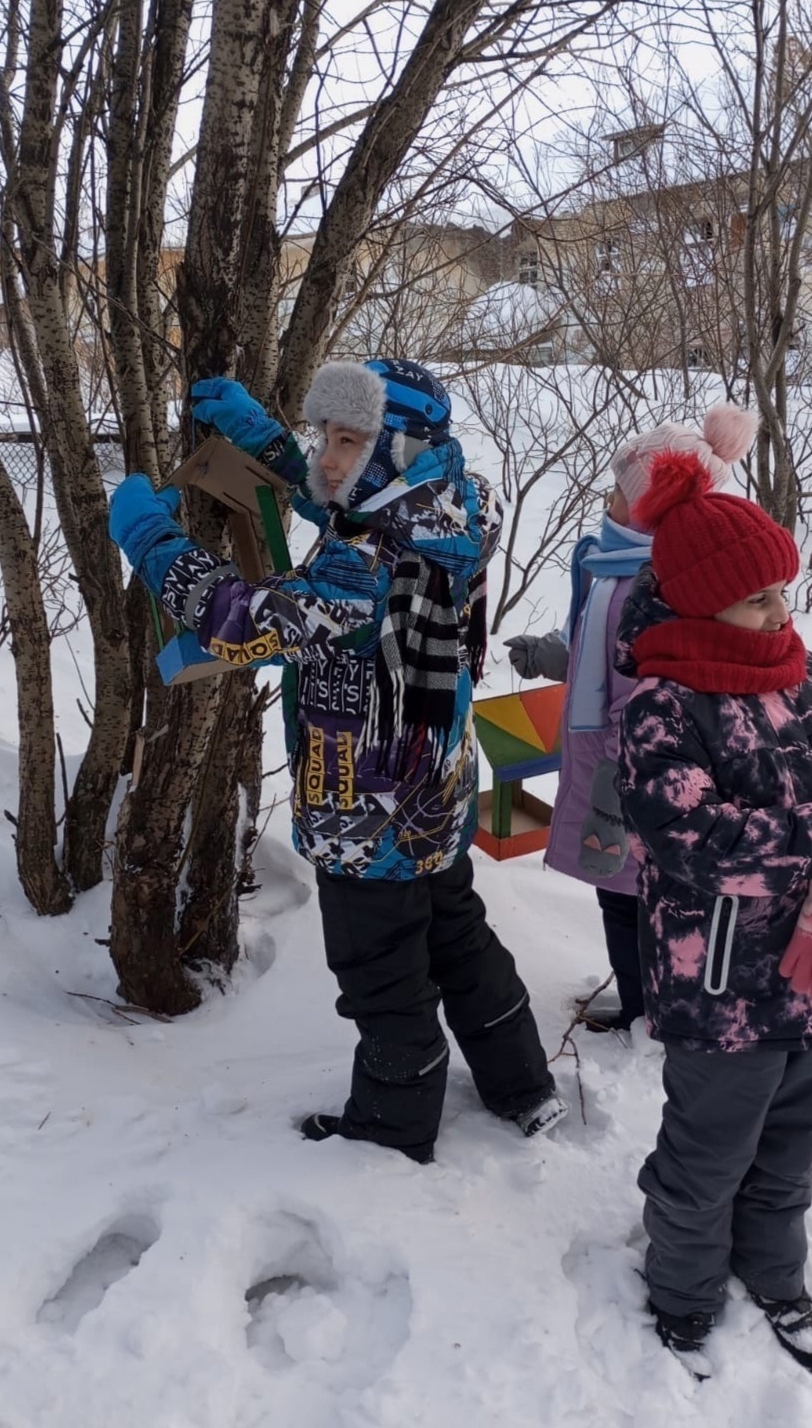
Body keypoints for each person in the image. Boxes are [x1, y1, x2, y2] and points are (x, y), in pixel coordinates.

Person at [108, 358, 566, 1165]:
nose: (327, 455)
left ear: (397, 449)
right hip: (439, 788)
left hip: (367, 811)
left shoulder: (361, 571)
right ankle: (523, 1084)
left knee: (380, 972)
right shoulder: (460, 501)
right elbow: (351, 497)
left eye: (348, 439)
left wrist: (145, 533)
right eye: (325, 435)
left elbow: (235, 618)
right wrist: (264, 437)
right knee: (459, 937)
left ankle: (394, 1126)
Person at [616, 450, 812, 1379]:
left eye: (784, 590)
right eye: (757, 599)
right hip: (725, 985)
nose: (782, 613)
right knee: (709, 1152)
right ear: (703, 605)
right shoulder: (665, 699)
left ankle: (773, 1269)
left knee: (793, 1140)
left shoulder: (805, 670)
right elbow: (687, 834)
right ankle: (684, 1290)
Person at [504, 405, 758, 1032]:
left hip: (630, 773)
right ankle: (664, 1001)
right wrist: (560, 655)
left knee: (626, 895)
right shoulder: (624, 569)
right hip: (624, 766)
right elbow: (616, 662)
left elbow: (652, 690)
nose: (609, 498)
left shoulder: (648, 586)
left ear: (655, 507)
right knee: (638, 890)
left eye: (620, 489)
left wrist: (621, 764)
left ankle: (654, 1010)